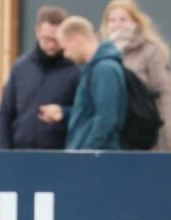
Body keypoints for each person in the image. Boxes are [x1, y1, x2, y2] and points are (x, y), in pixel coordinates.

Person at [101, 0, 171, 151]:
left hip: (143, 139)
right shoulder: (101, 53)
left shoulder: (151, 52)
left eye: (123, 19)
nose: (117, 25)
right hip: (110, 142)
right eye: (112, 20)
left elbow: (168, 97)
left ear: (135, 21)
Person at [0, 6, 80, 149]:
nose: (51, 45)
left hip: (58, 155)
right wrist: (3, 152)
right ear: (37, 32)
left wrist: (63, 113)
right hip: (20, 153)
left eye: (56, 40)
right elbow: (5, 113)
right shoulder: (21, 67)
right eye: (46, 39)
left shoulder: (76, 70)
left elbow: (83, 114)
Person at [39, 16, 127, 151]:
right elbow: (89, 112)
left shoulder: (104, 69)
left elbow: (106, 118)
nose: (65, 55)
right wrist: (64, 113)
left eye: (65, 48)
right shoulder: (93, 69)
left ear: (77, 40)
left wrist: (87, 152)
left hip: (97, 160)